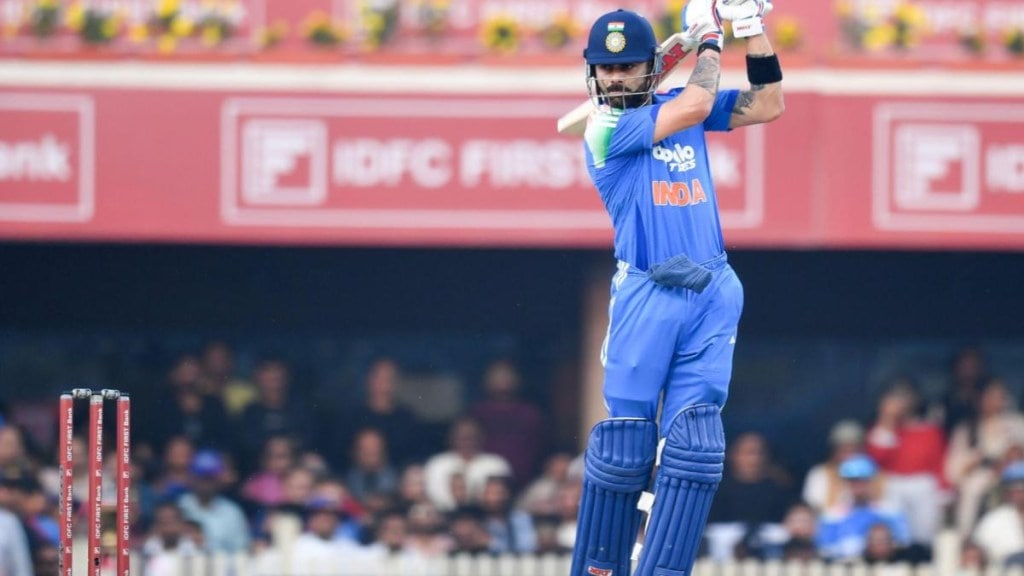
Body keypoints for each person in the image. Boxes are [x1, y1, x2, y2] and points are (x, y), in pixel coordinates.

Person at [570, 1, 785, 574]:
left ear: (648, 66)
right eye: (606, 68)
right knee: (626, 447)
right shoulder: (603, 128)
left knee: (694, 447)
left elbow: (768, 103)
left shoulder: (676, 105)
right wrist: (710, 39)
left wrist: (751, 29)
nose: (615, 78)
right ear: (593, 73)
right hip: (647, 292)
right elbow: (695, 102)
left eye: (627, 67)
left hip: (711, 289)